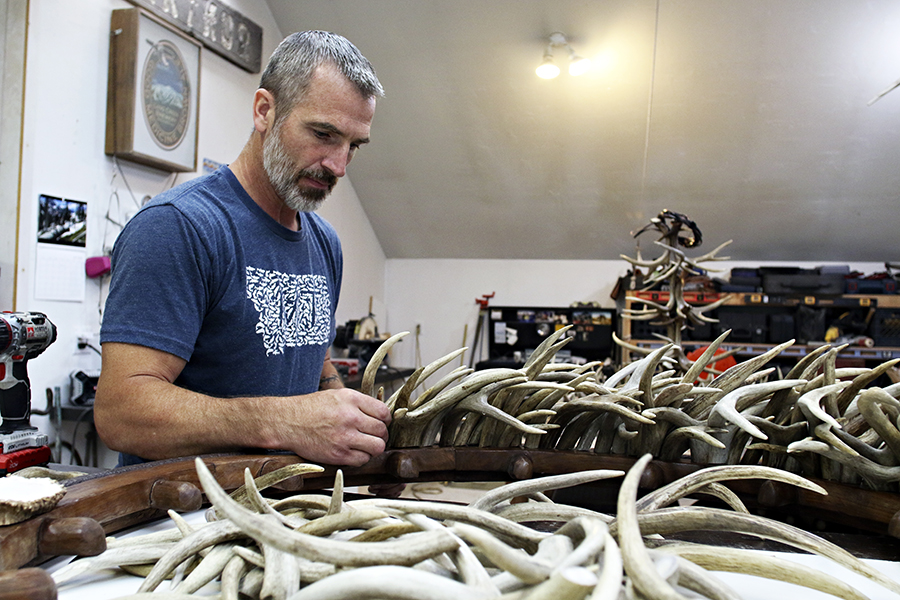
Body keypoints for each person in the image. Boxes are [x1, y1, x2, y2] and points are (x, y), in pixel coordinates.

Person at [95, 31, 391, 469]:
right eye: (323, 134)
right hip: (185, 521)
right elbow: (122, 414)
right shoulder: (178, 227)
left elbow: (309, 353)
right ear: (264, 111)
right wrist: (284, 422)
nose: (338, 166)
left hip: (288, 513)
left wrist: (350, 420)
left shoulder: (324, 242)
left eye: (353, 145)